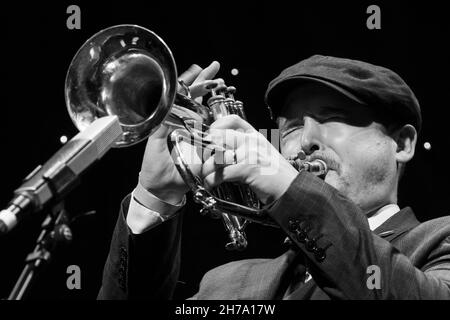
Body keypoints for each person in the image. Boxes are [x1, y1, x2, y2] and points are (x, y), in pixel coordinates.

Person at [97, 55, 450, 300]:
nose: (307, 140)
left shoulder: (438, 242)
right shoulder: (225, 285)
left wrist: (288, 188)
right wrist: (154, 195)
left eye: (333, 118)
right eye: (292, 127)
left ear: (401, 143)